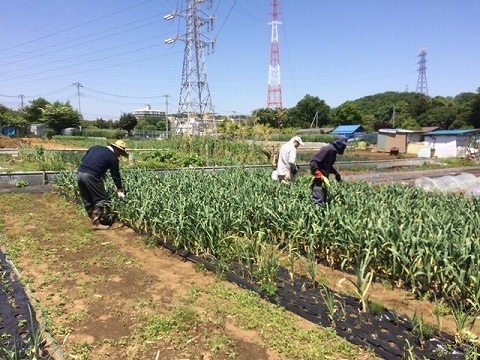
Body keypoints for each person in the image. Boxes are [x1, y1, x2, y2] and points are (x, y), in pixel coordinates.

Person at [77, 140, 128, 229]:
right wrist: (119, 189)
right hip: (91, 176)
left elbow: (84, 159)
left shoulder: (95, 147)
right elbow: (115, 174)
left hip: (80, 173)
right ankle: (96, 223)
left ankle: (93, 219)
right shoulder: (113, 157)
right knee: (101, 198)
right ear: (117, 149)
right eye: (120, 153)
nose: (119, 155)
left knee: (87, 198)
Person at [309, 135, 348, 206]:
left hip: (324, 179)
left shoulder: (333, 152)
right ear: (339, 144)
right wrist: (317, 172)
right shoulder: (327, 149)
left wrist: (336, 173)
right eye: (343, 146)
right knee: (318, 202)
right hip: (318, 180)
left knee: (323, 201)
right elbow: (313, 161)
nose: (344, 148)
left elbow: (327, 165)